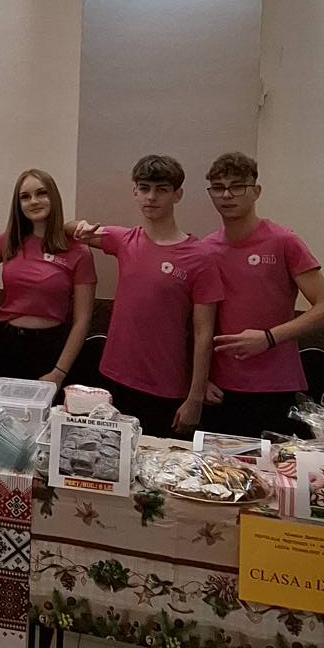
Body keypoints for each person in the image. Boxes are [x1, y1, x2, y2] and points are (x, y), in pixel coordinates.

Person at [70, 153, 222, 437]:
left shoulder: (200, 258)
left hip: (165, 388)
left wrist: (195, 397)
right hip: (112, 378)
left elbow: (204, 334)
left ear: (177, 194)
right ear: (135, 192)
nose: (151, 197)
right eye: (144, 188)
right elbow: (68, 229)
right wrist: (80, 226)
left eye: (161, 189)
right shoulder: (124, 239)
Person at [202, 152, 324, 437]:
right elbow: (197, 322)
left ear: (256, 191)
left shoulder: (284, 241)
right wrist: (199, 380)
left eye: (237, 186)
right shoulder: (206, 249)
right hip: (219, 389)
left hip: (276, 387)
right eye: (218, 188)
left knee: (275, 466)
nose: (227, 195)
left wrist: (268, 338)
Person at [0, 169, 96, 393]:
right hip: (5, 345)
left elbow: (83, 320)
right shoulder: (11, 240)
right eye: (25, 197)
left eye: (41, 193)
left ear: (53, 197)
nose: (33, 201)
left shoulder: (79, 251)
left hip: (51, 349)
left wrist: (59, 372)